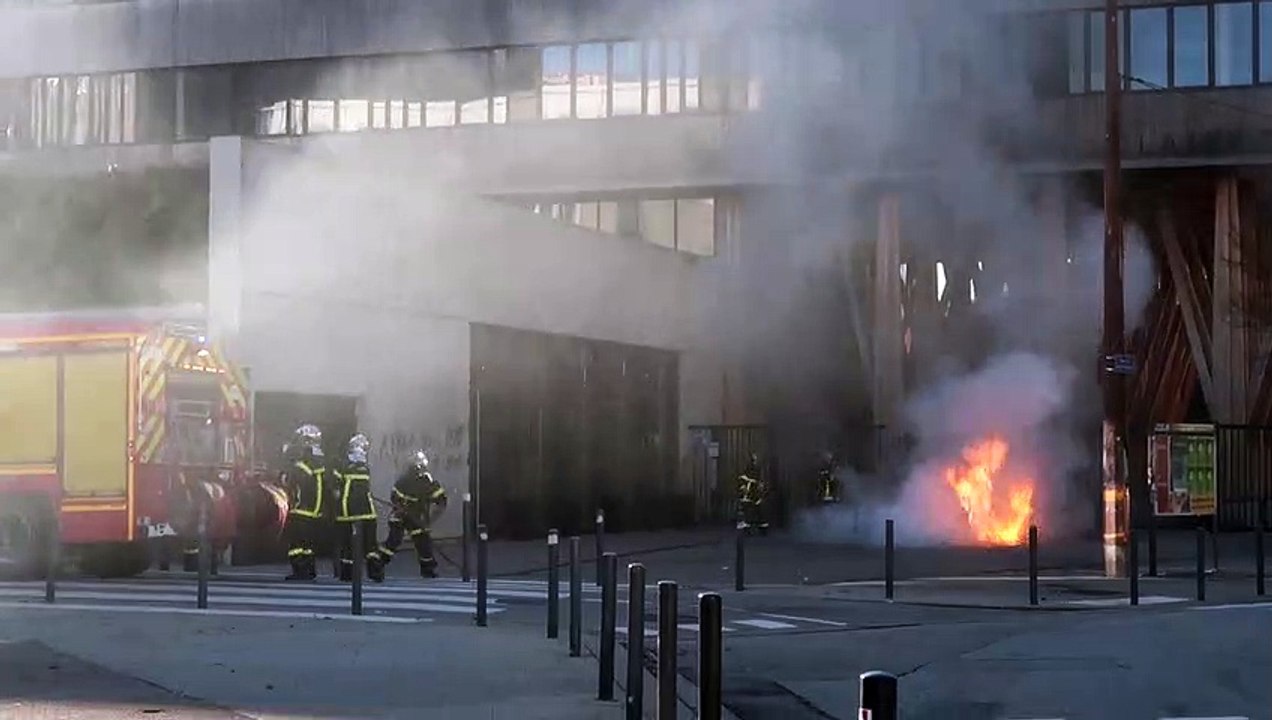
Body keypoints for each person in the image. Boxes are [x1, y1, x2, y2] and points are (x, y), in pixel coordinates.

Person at [379, 450, 447, 578]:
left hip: (416, 517)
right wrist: (400, 508)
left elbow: (441, 501)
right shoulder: (408, 481)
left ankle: (427, 569)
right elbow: (395, 497)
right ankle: (378, 565)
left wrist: (429, 521)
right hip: (402, 516)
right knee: (394, 541)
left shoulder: (424, 481)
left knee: (422, 542)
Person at [333, 433, 385, 583]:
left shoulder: (342, 466)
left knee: (347, 545)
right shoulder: (365, 467)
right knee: (370, 545)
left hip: (346, 512)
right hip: (367, 512)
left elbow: (336, 489)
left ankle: (347, 575)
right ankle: (375, 573)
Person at [283, 424, 326, 581]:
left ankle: (299, 571)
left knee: (296, 544)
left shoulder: (301, 465)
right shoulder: (320, 462)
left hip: (301, 509)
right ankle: (309, 570)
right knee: (308, 544)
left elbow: (289, 482)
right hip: (315, 511)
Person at [736, 453, 768, 535]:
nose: (754, 462)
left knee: (757, 510)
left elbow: (761, 481)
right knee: (750, 511)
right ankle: (751, 529)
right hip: (750, 492)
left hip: (754, 492)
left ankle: (761, 528)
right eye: (753, 460)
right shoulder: (748, 469)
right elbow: (742, 480)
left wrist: (761, 489)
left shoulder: (758, 469)